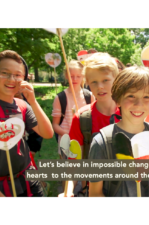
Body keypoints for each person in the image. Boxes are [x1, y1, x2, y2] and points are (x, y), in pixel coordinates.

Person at [88, 66, 149, 197]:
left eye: (146, 97)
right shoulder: (102, 142)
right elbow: (95, 193)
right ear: (118, 100)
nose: (138, 104)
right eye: (131, 96)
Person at [0, 50, 53, 197]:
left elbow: (47, 133)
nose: (12, 79)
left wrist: (33, 102)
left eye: (17, 75)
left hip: (29, 180)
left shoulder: (22, 105)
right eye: (5, 73)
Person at [60, 53, 121, 197]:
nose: (100, 86)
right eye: (94, 82)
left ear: (116, 80)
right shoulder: (81, 119)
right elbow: (74, 161)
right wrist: (68, 191)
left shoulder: (130, 113)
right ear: (87, 83)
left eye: (106, 80)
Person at [52, 60, 95, 195]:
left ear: (83, 76)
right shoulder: (60, 98)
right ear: (66, 76)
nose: (75, 79)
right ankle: (67, 192)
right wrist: (69, 134)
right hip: (66, 141)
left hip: (85, 139)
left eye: (78, 76)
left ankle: (84, 189)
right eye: (71, 76)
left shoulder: (89, 96)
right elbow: (55, 125)